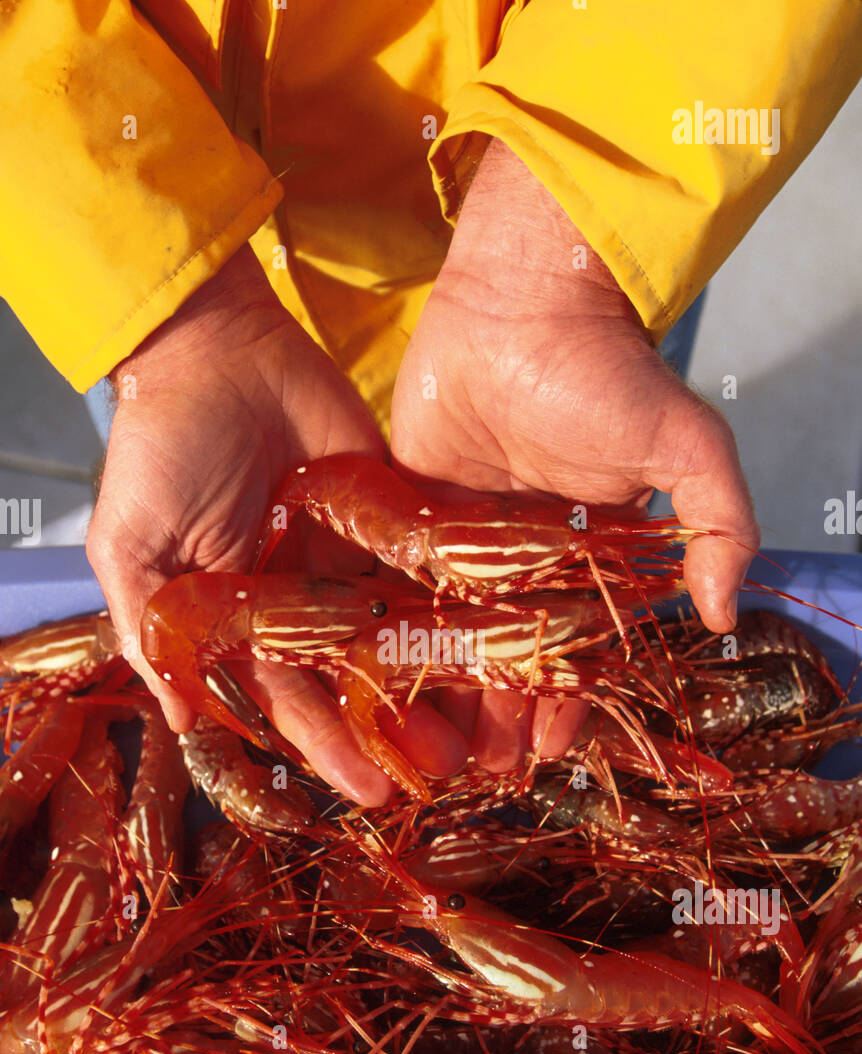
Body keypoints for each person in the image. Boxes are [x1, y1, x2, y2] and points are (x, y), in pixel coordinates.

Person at [2, 4, 860, 803]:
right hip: (180, 288)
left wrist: (555, 252)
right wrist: (165, 318)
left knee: (595, 547)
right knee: (584, 557)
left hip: (562, 231)